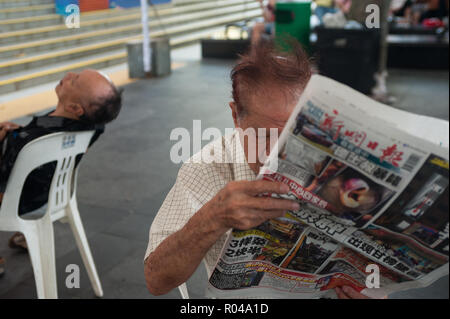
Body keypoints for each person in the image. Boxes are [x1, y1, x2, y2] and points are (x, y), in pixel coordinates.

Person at [144, 41, 373, 299]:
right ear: (235, 116)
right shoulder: (209, 167)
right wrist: (213, 217)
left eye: (294, 133)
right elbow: (156, 280)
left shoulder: (336, 164)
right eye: (264, 135)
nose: (278, 152)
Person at [0, 69, 123, 274]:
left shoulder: (27, 142)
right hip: (52, 196)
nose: (68, 75)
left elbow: (3, 190)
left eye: (73, 81)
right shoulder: (95, 125)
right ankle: (29, 236)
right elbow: (41, 140)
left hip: (18, 205)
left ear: (75, 107)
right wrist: (20, 134)